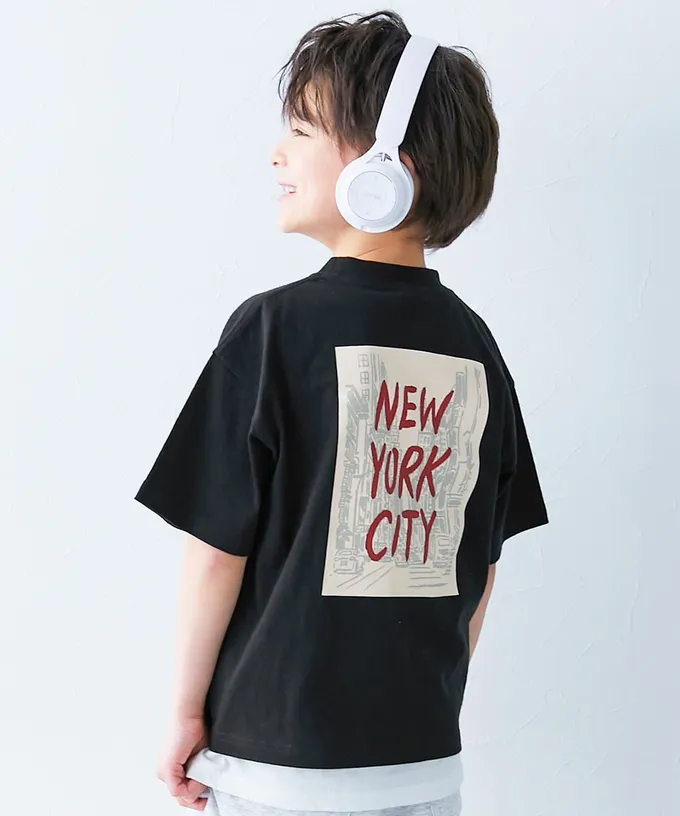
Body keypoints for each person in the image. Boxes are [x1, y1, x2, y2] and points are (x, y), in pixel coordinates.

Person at [134, 10, 549, 816]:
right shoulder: (477, 349)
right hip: (423, 765)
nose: (276, 153)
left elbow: (217, 551)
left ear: (386, 167)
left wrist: (185, 711)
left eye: (300, 130)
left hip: (273, 765)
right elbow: (482, 566)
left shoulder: (273, 328)